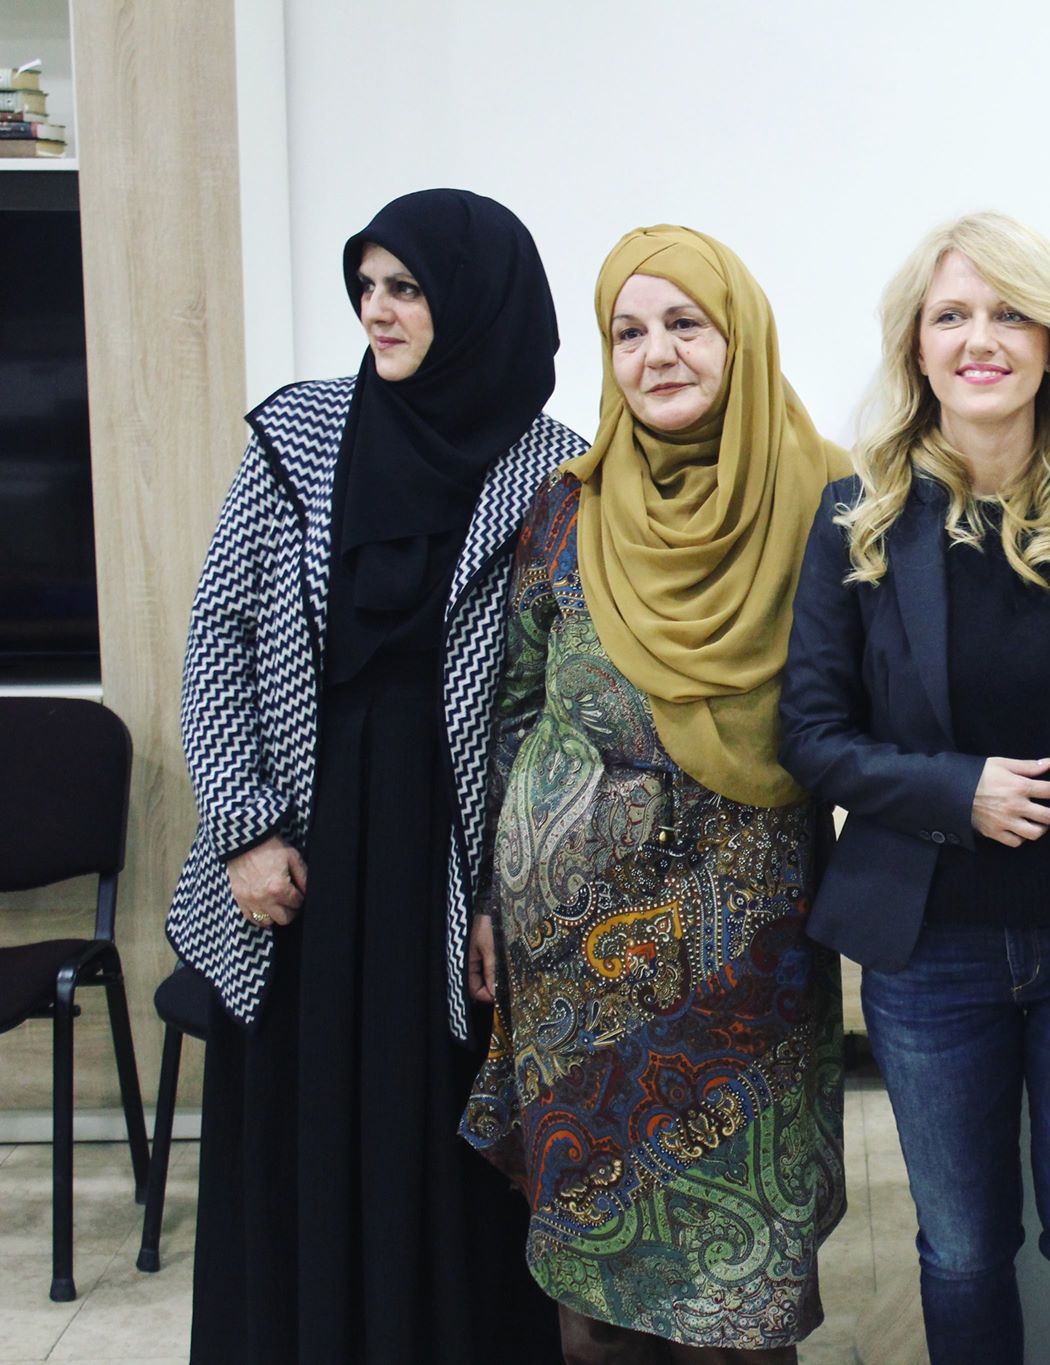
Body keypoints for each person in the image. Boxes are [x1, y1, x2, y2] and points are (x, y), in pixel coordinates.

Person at [170, 189, 578, 1363]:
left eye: (407, 289)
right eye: (366, 287)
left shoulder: (554, 468)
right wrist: (243, 829)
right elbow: (219, 639)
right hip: (303, 844)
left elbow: (548, 702)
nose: (378, 311)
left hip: (449, 850)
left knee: (438, 1123)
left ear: (476, 302)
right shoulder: (299, 433)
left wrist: (500, 897)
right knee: (296, 1114)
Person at [458, 224, 850, 1365]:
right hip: (567, 955)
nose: (656, 353)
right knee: (592, 1276)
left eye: (685, 323)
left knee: (740, 1289)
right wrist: (489, 899)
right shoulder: (566, 507)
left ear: (740, 337)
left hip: (748, 946)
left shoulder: (825, 500)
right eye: (627, 332)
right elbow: (513, 711)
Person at [779, 212, 1050, 1365]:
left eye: (1008, 313)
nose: (979, 339)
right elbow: (810, 735)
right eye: (950, 315)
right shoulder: (857, 518)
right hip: (930, 950)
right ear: (916, 344)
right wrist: (958, 791)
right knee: (959, 1248)